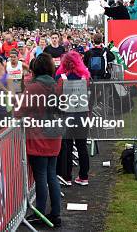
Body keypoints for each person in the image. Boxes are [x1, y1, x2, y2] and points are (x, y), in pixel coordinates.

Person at [15, 53, 62, 227]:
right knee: (52, 176)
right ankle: (55, 213)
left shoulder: (34, 87)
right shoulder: (56, 85)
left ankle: (40, 213)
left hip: (39, 137)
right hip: (54, 136)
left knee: (41, 177)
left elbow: (19, 112)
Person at [55, 51, 91, 187]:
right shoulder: (84, 76)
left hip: (66, 115)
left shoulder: (60, 76)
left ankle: (67, 176)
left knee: (67, 147)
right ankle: (83, 176)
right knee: (82, 146)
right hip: (81, 114)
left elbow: (57, 93)